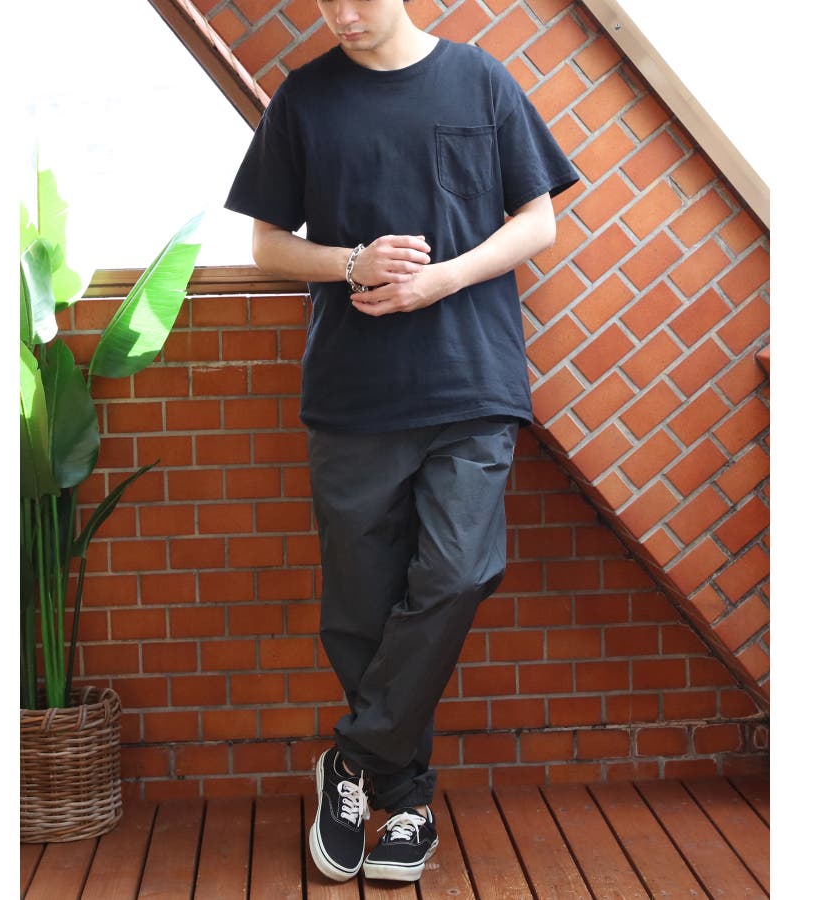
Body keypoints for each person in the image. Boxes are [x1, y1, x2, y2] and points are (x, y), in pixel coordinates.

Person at [225, 0, 579, 884]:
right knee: (360, 607)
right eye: (327, 0)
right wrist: (351, 262)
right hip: (353, 394)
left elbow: (539, 221)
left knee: (461, 571)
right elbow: (267, 246)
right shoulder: (305, 98)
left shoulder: (480, 79)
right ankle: (407, 799)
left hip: (472, 381)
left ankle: (351, 758)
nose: (342, 14)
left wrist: (443, 280)